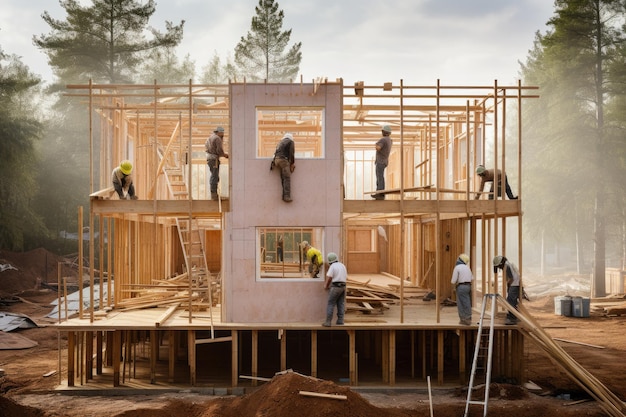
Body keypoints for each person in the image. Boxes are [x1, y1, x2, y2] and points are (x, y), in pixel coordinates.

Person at [493, 255, 521, 325]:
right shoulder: (508, 264)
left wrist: (508, 284)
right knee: (512, 302)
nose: (499, 268)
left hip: (513, 285)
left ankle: (512, 318)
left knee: (510, 302)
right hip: (515, 285)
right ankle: (513, 317)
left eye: (499, 266)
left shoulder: (507, 266)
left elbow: (511, 278)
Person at [323, 252, 347, 327]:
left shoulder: (332, 266)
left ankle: (328, 322)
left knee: (331, 303)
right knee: (341, 303)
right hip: (343, 287)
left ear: (330, 261)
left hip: (336, 286)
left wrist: (326, 286)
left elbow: (329, 277)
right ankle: (340, 320)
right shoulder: (342, 265)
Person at [205, 126, 229, 200]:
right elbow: (219, 151)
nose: (223, 134)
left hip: (210, 159)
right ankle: (214, 195)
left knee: (214, 175)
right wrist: (226, 155)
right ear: (220, 132)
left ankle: (214, 194)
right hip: (214, 159)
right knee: (215, 176)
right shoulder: (217, 138)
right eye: (222, 133)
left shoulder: (210, 137)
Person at [271, 133, 295, 202]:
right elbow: (291, 153)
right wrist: (292, 163)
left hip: (276, 160)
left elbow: (275, 152)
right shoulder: (290, 142)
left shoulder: (280, 142)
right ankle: (286, 196)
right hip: (283, 160)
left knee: (283, 177)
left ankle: (284, 195)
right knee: (287, 178)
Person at [450, 253, 473, 325]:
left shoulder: (457, 268)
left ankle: (464, 319)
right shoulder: (467, 267)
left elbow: (453, 280)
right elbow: (472, 278)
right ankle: (468, 317)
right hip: (468, 286)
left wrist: (454, 287)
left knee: (461, 303)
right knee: (467, 301)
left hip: (461, 286)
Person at [372, 125, 392, 200]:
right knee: (380, 177)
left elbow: (378, 148)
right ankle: (380, 193)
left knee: (379, 177)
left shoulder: (383, 140)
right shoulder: (389, 140)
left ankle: (380, 193)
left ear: (383, 132)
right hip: (384, 161)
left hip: (380, 161)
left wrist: (376, 144)